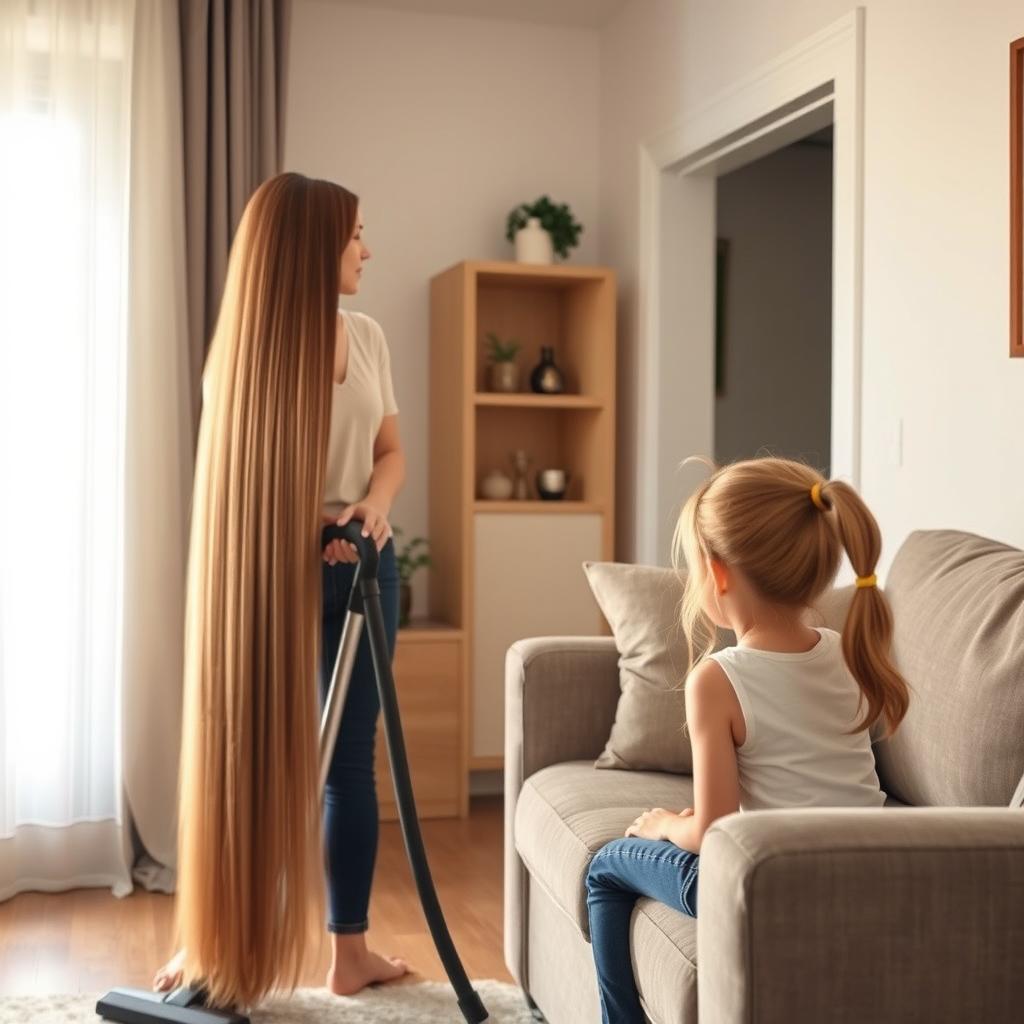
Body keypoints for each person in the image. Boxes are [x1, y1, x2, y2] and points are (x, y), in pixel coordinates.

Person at [154, 172, 408, 1008]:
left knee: (349, 765)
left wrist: (370, 508)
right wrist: (308, 529)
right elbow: (243, 486)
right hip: (276, 578)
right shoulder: (246, 355)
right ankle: (211, 941)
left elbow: (390, 452)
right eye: (356, 234)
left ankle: (350, 953)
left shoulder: (366, 335)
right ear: (312, 246)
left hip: (368, 570)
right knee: (248, 754)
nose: (367, 249)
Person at [585, 456, 910, 1024]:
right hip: (862, 870)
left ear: (720, 574)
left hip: (765, 882)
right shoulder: (846, 650)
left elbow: (711, 832)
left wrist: (663, 824)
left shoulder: (720, 678)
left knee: (605, 868)